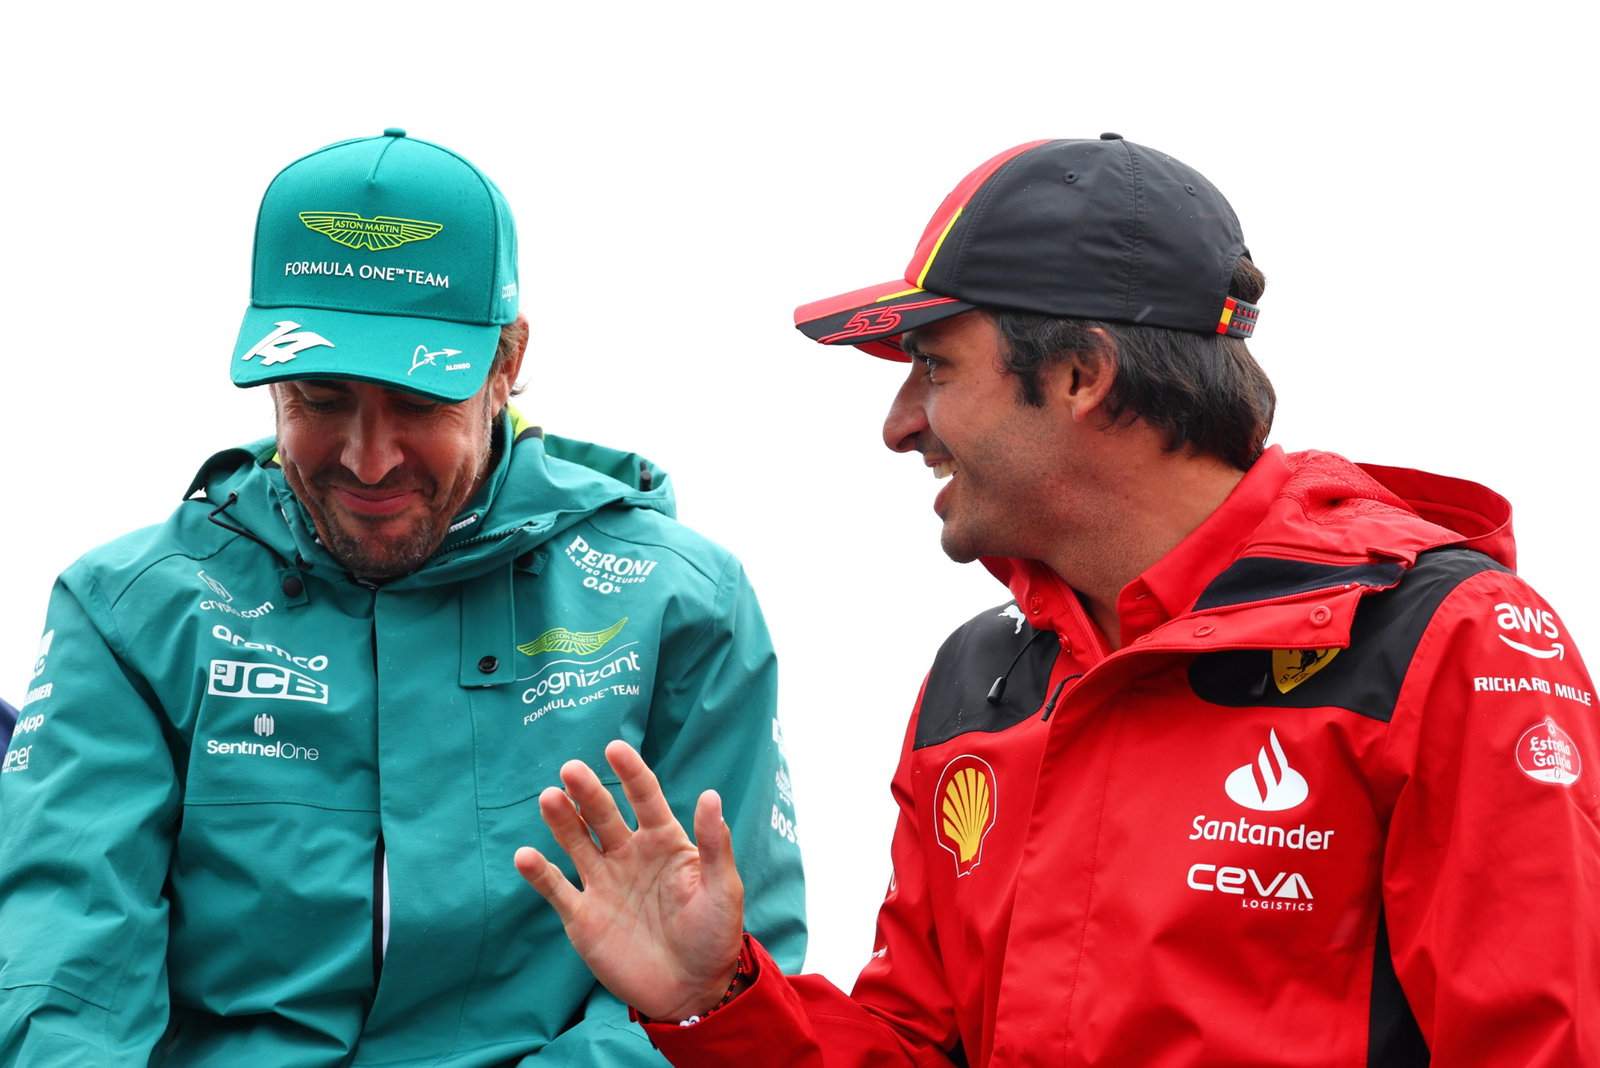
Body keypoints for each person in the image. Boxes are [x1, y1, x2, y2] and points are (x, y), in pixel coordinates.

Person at [512, 135, 1600, 1066]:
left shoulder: (1442, 642)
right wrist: (719, 1001)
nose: (899, 423)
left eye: (932, 366)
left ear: (1081, 373)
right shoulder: (978, 681)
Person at [0, 129, 806, 1065]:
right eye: (319, 397)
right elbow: (65, 982)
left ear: (508, 362)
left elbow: (723, 988)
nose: (367, 458)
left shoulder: (681, 605)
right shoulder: (130, 611)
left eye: (420, 404)